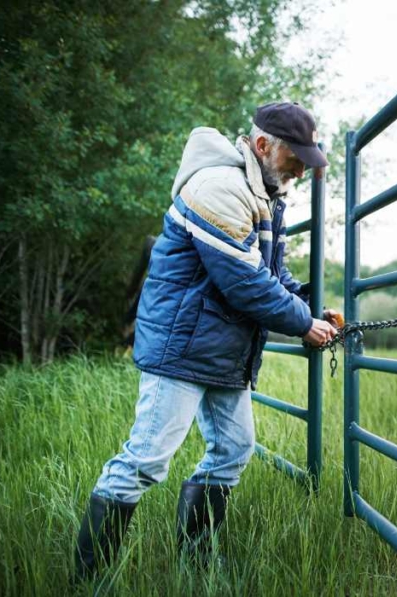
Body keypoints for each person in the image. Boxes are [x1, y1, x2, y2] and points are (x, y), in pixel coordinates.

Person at [73, 102, 338, 580]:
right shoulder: (219, 187)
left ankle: (196, 568)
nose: (300, 170)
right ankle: (89, 578)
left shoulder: (263, 195)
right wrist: (303, 323)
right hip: (183, 346)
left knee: (234, 450)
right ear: (262, 146)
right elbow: (245, 283)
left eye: (305, 160)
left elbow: (271, 274)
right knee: (146, 459)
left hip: (220, 347)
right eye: (294, 158)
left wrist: (310, 305)